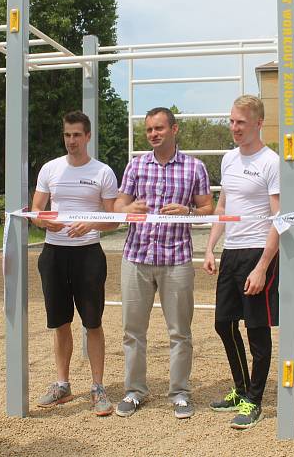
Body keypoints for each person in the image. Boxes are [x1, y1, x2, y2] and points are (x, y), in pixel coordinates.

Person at [113, 107, 213, 419]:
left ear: (174, 129)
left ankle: (180, 394)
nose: (153, 134)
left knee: (180, 332)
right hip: (137, 257)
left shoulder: (194, 167)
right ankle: (134, 391)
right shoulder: (136, 165)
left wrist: (190, 214)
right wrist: (131, 208)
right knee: (133, 331)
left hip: (177, 260)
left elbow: (208, 208)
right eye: (149, 130)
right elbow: (118, 205)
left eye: (159, 128)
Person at [30, 110, 119, 416]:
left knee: (93, 322)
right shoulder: (50, 169)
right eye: (67, 135)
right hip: (54, 254)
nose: (71, 141)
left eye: (77, 135)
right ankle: (62, 384)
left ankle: (97, 387)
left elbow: (113, 220)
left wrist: (91, 224)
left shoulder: (103, 172)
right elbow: (36, 210)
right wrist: (44, 222)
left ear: (88, 136)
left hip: (88, 254)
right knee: (60, 322)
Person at [202, 94, 280, 430]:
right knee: (223, 324)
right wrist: (209, 248)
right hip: (231, 252)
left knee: (257, 332)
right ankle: (240, 388)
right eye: (232, 121)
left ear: (258, 123)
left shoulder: (272, 162)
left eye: (241, 122)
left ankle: (255, 400)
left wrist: (263, 266)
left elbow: (281, 219)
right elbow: (223, 208)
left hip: (257, 252)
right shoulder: (228, 160)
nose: (234, 127)